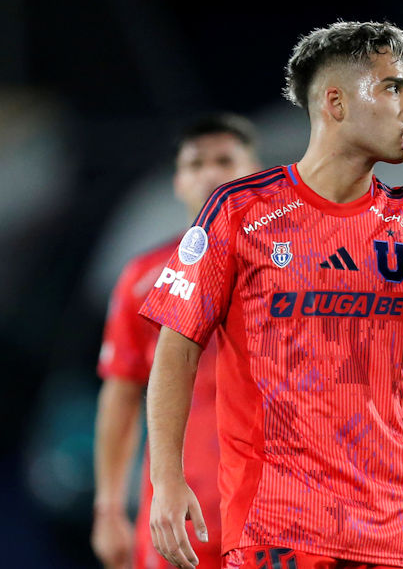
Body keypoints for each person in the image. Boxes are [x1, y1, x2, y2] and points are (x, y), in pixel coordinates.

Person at [139, 21, 403, 569]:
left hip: (389, 529)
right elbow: (176, 348)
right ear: (336, 103)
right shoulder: (241, 211)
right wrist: (166, 481)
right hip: (276, 524)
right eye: (393, 87)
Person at [92, 115, 261, 569]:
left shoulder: (298, 273)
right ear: (177, 182)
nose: (210, 173)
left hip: (276, 512)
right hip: (178, 517)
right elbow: (121, 392)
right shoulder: (142, 280)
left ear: (256, 174)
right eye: (195, 163)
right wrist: (109, 508)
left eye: (225, 160)